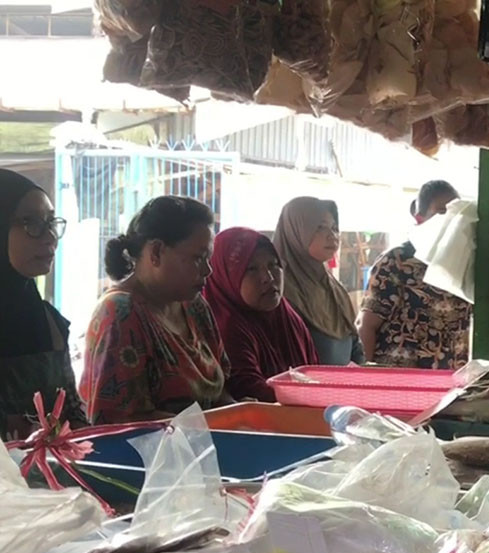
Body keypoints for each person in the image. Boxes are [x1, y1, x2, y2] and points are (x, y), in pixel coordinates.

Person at [80, 196, 232, 424]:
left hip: (204, 449)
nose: (208, 270)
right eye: (198, 258)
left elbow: (221, 394)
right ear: (156, 252)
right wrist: (213, 427)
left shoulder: (194, 306)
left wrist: (242, 415)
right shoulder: (121, 313)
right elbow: (118, 422)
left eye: (208, 258)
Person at [0, 169, 86, 438]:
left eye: (51, 222)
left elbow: (72, 412)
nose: (50, 237)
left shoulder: (49, 321)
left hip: (50, 477)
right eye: (31, 223)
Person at [357, 180, 472, 369]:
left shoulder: (465, 264)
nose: (449, 220)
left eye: (455, 213)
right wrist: (367, 382)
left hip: (447, 381)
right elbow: (366, 326)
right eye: (441, 213)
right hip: (399, 381)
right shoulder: (397, 261)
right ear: (420, 219)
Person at [204, 227, 318, 402]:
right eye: (251, 269)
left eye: (273, 265)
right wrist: (312, 397)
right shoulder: (227, 326)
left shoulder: (287, 316)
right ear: (226, 276)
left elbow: (312, 372)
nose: (268, 277)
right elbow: (248, 388)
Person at [273, 196, 363, 365]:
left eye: (334, 228)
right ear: (296, 231)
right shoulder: (277, 289)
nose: (332, 236)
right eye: (320, 227)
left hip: (338, 389)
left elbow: (355, 346)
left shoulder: (334, 289)